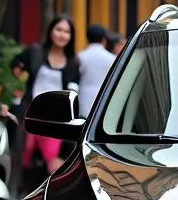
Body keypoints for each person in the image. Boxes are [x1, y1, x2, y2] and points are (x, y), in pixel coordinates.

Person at [12, 14, 80, 177]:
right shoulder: (35, 51)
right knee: (23, 151)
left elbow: (73, 90)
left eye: (66, 32)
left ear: (71, 37)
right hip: (29, 112)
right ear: (51, 31)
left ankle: (53, 191)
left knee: (52, 158)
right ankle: (21, 189)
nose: (62, 35)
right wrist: (17, 70)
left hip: (55, 118)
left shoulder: (73, 62)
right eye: (58, 29)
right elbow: (16, 63)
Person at [76, 23, 116, 118]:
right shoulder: (112, 58)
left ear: (87, 38)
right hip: (104, 100)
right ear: (103, 39)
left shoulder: (80, 57)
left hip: (83, 100)